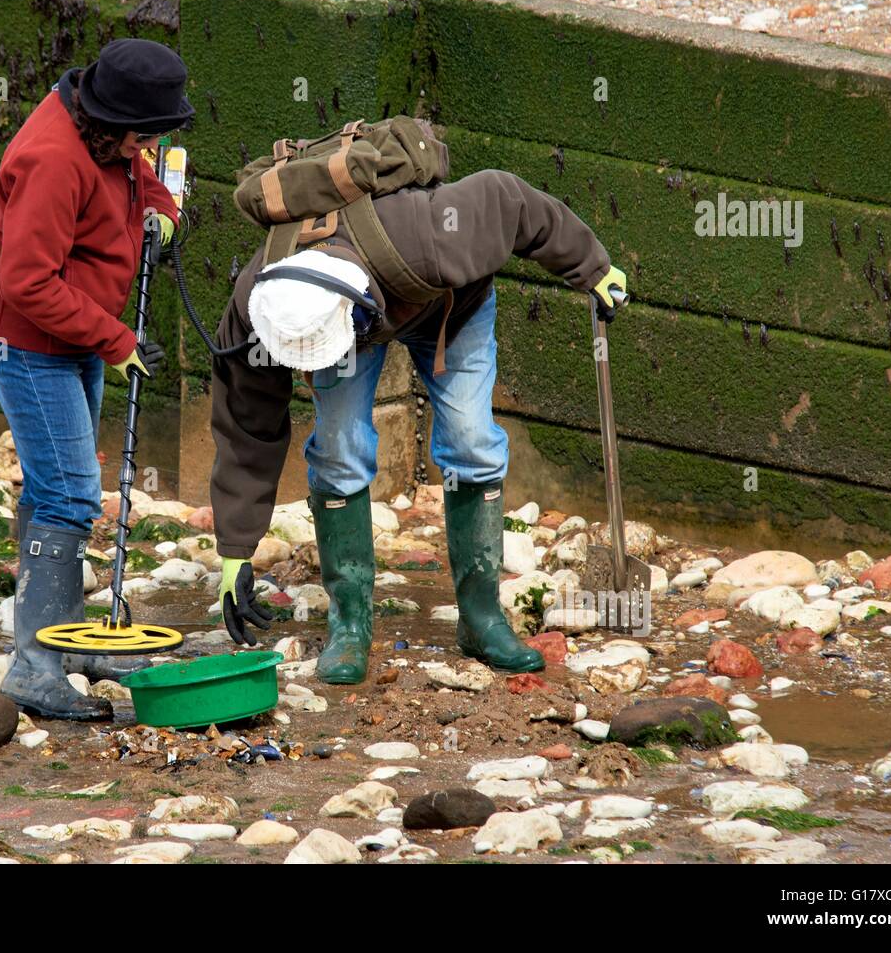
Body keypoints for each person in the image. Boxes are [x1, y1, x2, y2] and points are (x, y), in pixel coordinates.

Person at [208, 119, 626, 684]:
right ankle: (349, 625)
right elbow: (246, 424)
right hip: (353, 319)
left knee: (472, 442)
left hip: (447, 303)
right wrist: (235, 547)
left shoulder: (428, 233)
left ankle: (481, 617)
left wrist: (593, 268)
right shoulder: (262, 305)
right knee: (339, 449)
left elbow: (513, 199)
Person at [0, 38, 193, 720]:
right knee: (70, 496)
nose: (145, 147)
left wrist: (160, 204)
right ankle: (34, 668)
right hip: (33, 344)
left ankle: (62, 642)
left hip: (77, 333)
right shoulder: (52, 159)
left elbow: (135, 173)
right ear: (111, 122)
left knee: (51, 487)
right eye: (142, 138)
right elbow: (27, 280)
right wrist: (115, 339)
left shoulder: (103, 131)